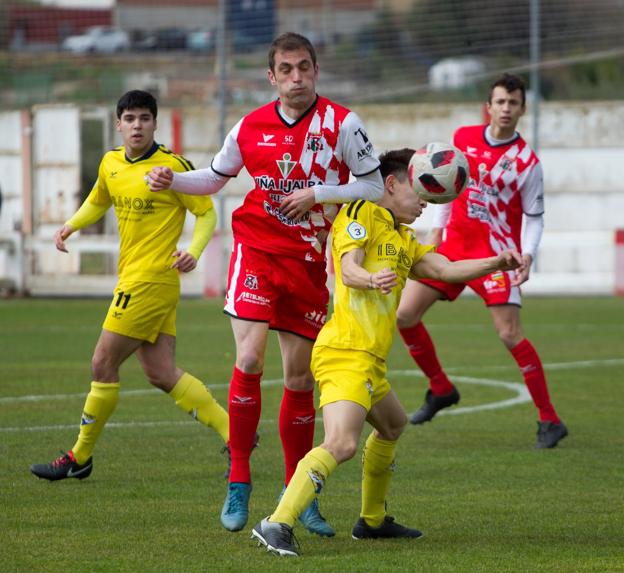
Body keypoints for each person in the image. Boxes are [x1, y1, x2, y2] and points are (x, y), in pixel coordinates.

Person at [147, 32, 384, 535]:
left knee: (299, 379)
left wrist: (318, 193)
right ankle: (238, 479)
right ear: (271, 76)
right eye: (287, 69)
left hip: (307, 263)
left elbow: (375, 186)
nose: (297, 77)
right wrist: (174, 179)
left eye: (305, 68)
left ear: (316, 70)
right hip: (256, 251)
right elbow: (214, 177)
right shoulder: (250, 126)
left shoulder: (343, 124)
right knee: (249, 358)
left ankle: (301, 495)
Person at [250, 148, 524, 557]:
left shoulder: (402, 237)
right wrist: (368, 278)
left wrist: (496, 262)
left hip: (369, 359)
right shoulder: (362, 211)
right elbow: (348, 267)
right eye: (419, 194)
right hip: (345, 351)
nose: (424, 205)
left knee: (393, 425)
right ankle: (277, 522)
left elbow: (445, 270)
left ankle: (372, 521)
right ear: (392, 184)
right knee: (341, 443)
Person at [31, 90, 229, 481]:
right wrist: (71, 225)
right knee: (161, 373)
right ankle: (235, 437)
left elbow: (206, 214)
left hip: (151, 279)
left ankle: (80, 457)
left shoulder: (171, 168)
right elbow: (99, 199)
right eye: (130, 119)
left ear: (155, 122)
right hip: (138, 277)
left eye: (144, 118)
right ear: (118, 124)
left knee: (102, 363)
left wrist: (194, 250)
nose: (137, 125)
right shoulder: (111, 164)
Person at [396, 74, 568, 449]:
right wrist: (437, 230)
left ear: (523, 108)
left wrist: (528, 255)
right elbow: (449, 190)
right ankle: (440, 388)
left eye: (513, 103)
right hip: (454, 247)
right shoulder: (462, 139)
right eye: (500, 102)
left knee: (509, 334)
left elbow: (535, 216)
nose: (506, 109)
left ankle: (549, 419)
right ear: (488, 106)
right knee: (404, 316)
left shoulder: (527, 163)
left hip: (497, 256)